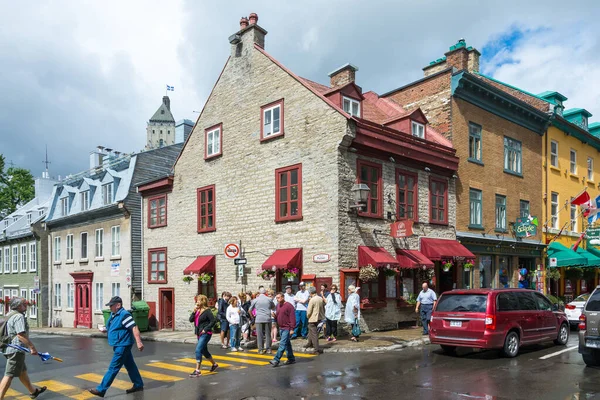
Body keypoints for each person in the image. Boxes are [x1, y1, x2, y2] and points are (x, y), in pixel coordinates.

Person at [88, 296, 144, 397]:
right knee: (130, 366)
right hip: (119, 344)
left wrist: (139, 342)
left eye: (111, 305)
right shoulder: (114, 315)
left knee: (113, 368)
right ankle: (138, 384)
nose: (110, 308)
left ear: (118, 305)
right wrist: (106, 329)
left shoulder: (124, 315)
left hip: (123, 345)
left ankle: (101, 389)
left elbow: (134, 327)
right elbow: (114, 326)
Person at [0, 297, 47, 400]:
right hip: (16, 349)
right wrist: (32, 347)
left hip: (8, 347)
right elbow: (21, 335)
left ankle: (33, 391)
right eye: (23, 304)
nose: (26, 305)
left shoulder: (9, 314)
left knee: (22, 371)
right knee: (9, 375)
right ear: (18, 306)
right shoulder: (18, 316)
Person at [188, 294, 219, 377]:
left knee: (198, 350)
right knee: (204, 351)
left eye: (198, 300)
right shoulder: (197, 310)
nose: (197, 302)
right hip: (199, 333)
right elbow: (191, 320)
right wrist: (194, 311)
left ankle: (197, 370)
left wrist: (206, 329)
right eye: (197, 300)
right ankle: (214, 364)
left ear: (202, 301)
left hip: (205, 333)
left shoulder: (207, 311)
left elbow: (213, 321)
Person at [269, 292, 296, 367]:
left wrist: (292, 329)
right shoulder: (278, 306)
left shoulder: (289, 306)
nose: (277, 299)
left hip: (287, 328)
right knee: (287, 344)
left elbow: (292, 318)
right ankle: (291, 358)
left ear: (283, 297)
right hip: (281, 327)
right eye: (276, 298)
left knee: (282, 344)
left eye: (279, 297)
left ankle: (276, 359)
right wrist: (274, 316)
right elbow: (278, 315)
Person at [249, 288, 274, 354]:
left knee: (259, 335)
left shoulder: (255, 300)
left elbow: (250, 310)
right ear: (265, 292)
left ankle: (260, 349)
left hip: (259, 318)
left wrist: (253, 317)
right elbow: (273, 307)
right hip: (267, 318)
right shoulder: (269, 299)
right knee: (268, 334)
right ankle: (268, 349)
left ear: (259, 292)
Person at [306, 286, 325, 354]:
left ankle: (316, 349)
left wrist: (308, 316)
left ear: (311, 293)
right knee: (311, 331)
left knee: (314, 334)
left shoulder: (312, 300)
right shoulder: (320, 298)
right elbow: (323, 307)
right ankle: (309, 343)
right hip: (319, 317)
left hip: (313, 318)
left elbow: (309, 311)